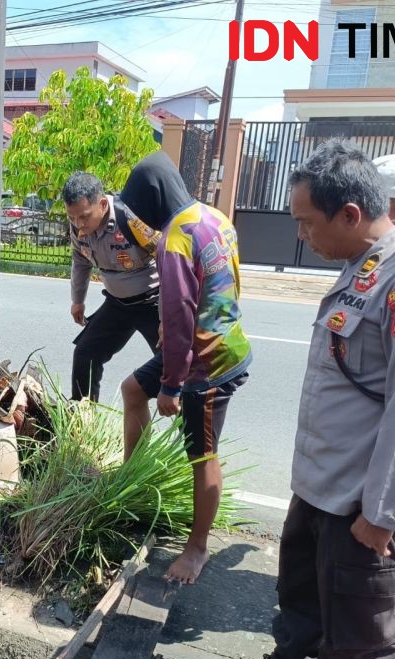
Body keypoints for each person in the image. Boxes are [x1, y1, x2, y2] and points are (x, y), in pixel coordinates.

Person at [207, 140, 395, 659]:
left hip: (362, 508)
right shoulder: (362, 267)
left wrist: (383, 515)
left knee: (361, 639)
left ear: (350, 214)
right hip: (320, 488)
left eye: (306, 222)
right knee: (300, 607)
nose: (301, 236)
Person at [118, 151, 252, 585]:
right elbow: (226, 279)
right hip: (206, 340)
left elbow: (178, 314)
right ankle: (132, 476)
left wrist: (173, 387)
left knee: (202, 455)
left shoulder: (173, 238)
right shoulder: (215, 216)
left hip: (207, 361)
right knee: (132, 389)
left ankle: (196, 549)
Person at [61, 171, 163, 402]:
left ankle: (190, 434)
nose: (78, 224)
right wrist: (78, 300)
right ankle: (82, 423)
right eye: (72, 217)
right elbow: (80, 260)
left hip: (154, 302)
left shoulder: (132, 219)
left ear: (103, 204)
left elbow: (168, 262)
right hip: (118, 304)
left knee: (173, 367)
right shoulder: (78, 226)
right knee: (85, 355)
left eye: (84, 217)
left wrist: (169, 317)